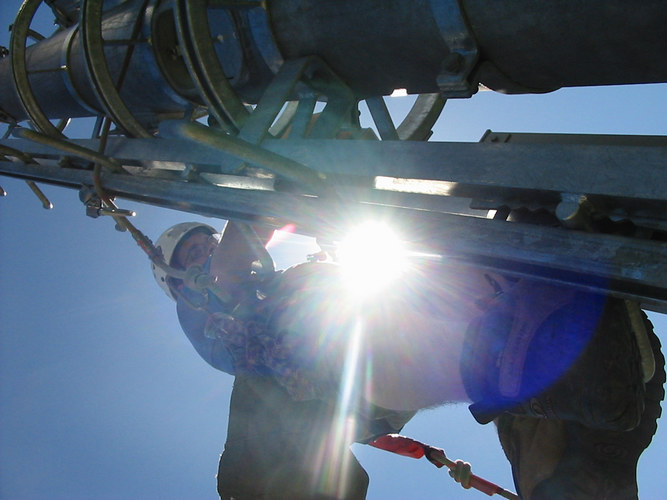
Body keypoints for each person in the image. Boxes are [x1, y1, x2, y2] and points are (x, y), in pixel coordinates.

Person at [152, 220, 664, 499]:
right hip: (314, 390)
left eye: (205, 243)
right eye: (190, 256)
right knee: (364, 356)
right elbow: (229, 273)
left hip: (359, 364)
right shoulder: (201, 309)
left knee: (405, 304)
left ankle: (570, 443)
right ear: (175, 280)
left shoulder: (298, 278)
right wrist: (253, 205)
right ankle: (546, 356)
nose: (203, 254)